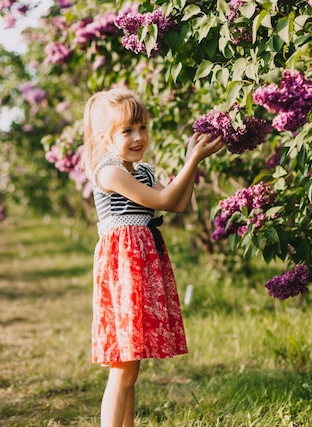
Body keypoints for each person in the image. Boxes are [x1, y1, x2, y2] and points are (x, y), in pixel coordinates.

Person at [80, 87, 224, 427]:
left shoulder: (141, 171)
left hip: (142, 266)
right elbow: (163, 201)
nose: (138, 136)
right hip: (125, 268)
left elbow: (177, 202)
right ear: (105, 137)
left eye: (142, 128)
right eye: (127, 130)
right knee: (123, 368)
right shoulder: (110, 172)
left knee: (132, 365)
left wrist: (192, 159)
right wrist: (192, 161)